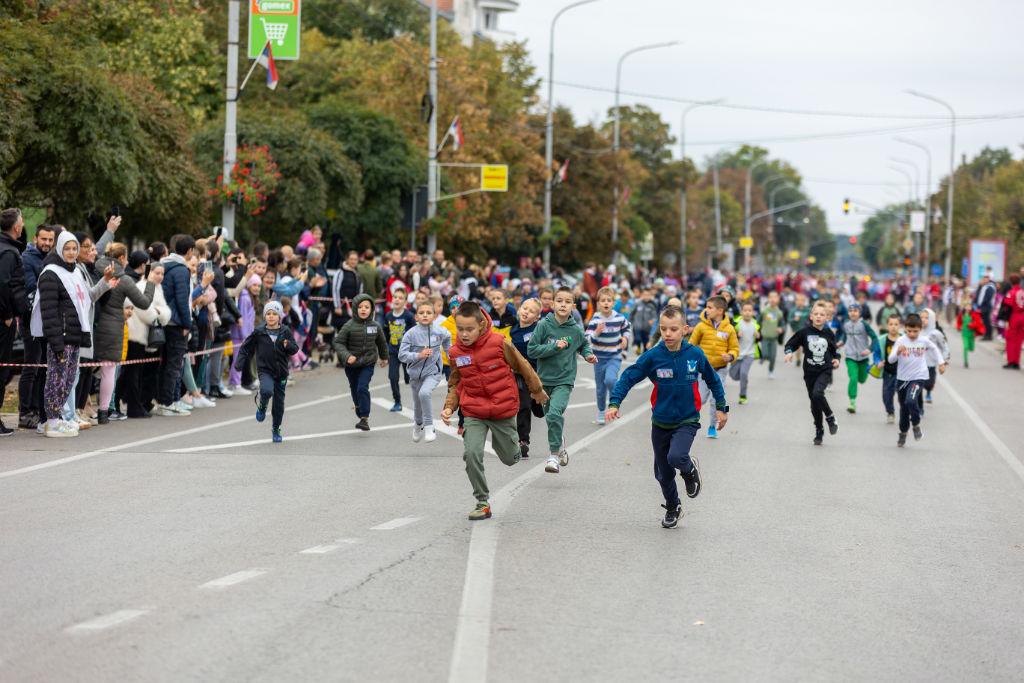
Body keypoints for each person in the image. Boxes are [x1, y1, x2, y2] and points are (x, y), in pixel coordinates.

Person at [606, 305, 728, 529]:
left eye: (673, 329)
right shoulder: (653, 356)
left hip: (687, 420)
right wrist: (615, 402)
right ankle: (673, 506)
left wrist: (722, 406)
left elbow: (713, 380)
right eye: (663, 329)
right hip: (660, 422)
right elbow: (629, 377)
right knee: (663, 473)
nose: (668, 334)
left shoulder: (695, 354)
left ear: (685, 330)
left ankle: (689, 469)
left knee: (676, 456)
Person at [440, 301, 547, 520]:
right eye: (460, 329)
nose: (464, 334)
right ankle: (482, 501)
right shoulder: (455, 352)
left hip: (502, 408)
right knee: (471, 454)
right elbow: (455, 382)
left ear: (481, 325)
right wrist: (449, 406)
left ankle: (513, 447)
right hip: (474, 410)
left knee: (510, 459)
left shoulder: (499, 342)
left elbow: (523, 365)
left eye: (469, 329)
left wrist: (537, 390)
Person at [528, 286, 597, 473]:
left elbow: (583, 345)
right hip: (544, 381)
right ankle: (560, 445)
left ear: (573, 306)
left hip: (564, 381)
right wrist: (553, 347)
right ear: (552, 304)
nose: (563, 305)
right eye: (559, 301)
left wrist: (588, 355)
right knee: (552, 419)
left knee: (554, 414)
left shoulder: (575, 329)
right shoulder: (543, 325)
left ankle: (553, 457)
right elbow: (532, 350)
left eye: (567, 302)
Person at [30, 232, 90, 437]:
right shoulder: (51, 273)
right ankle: (51, 421)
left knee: (68, 380)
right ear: (59, 249)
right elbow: (48, 312)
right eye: (67, 248)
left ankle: (57, 417)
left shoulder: (75, 272)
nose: (71, 252)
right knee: (55, 380)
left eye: (74, 248)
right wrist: (56, 342)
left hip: (74, 336)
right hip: (60, 338)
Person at [93, 243, 158, 424]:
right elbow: (144, 302)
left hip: (93, 324)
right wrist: (150, 283)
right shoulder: (124, 280)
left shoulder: (94, 270)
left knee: (83, 371)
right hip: (113, 327)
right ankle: (104, 411)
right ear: (121, 258)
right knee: (109, 371)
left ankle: (81, 408)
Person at [234, 301, 298, 442]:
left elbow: (295, 349)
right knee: (267, 390)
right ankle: (262, 405)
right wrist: (239, 364)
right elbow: (245, 347)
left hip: (281, 372)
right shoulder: (259, 332)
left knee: (279, 404)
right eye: (268, 314)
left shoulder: (285, 331)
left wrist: (288, 345)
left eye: (274, 314)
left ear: (279, 316)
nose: (271, 316)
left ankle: (276, 428)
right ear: (265, 316)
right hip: (265, 370)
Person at [784, 300, 841, 445]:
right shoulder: (805, 332)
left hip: (825, 370)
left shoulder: (828, 333)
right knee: (814, 403)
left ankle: (830, 417)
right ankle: (819, 430)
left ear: (827, 317)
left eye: (822, 314)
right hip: (809, 372)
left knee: (818, 394)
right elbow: (790, 344)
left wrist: (836, 359)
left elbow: (835, 350)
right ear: (811, 316)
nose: (818, 317)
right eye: (816, 314)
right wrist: (789, 352)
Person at [888, 313, 947, 447]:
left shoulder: (924, 340)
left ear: (920, 329)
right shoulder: (901, 341)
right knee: (904, 408)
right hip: (902, 379)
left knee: (911, 400)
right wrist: (897, 352)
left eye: (915, 331)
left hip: (918, 377)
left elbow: (934, 349)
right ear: (905, 328)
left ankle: (916, 423)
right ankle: (903, 432)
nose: (912, 334)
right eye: (909, 331)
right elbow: (891, 359)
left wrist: (941, 363)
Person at [18, 223, 56, 429]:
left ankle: (39, 410)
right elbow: (31, 287)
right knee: (31, 367)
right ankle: (25, 413)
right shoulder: (27, 258)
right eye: (44, 239)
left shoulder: (51, 258)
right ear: (35, 239)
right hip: (30, 321)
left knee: (43, 369)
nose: (47, 243)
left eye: (50, 240)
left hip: (46, 322)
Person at [398, 298, 451, 443]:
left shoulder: (440, 331)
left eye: (429, 312)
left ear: (435, 316)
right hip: (415, 375)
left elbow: (448, 337)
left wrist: (448, 353)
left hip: (433, 373)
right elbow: (402, 355)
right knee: (417, 406)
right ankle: (418, 425)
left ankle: (429, 427)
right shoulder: (410, 334)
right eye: (421, 313)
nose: (425, 315)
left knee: (424, 393)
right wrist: (418, 355)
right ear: (416, 316)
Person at [333, 293, 388, 431]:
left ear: (371, 309)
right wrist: (347, 356)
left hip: (368, 362)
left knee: (362, 387)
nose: (363, 309)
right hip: (351, 364)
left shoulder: (375, 326)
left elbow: (381, 343)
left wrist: (384, 357)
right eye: (360, 307)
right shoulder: (349, 325)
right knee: (354, 387)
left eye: (367, 307)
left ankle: (364, 418)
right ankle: (358, 405)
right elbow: (338, 342)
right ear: (355, 308)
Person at [687, 295, 738, 438]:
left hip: (720, 370)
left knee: (715, 400)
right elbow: (691, 345)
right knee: (701, 398)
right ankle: (687, 421)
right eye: (706, 307)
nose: (706, 310)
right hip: (703, 371)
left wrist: (731, 356)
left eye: (710, 308)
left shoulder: (729, 329)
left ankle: (712, 426)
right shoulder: (701, 326)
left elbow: (734, 348)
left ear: (720, 310)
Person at [156, 235, 195, 417]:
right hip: (176, 322)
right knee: (174, 364)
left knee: (164, 363)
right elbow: (182, 300)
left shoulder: (163, 265)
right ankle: (167, 402)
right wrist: (187, 323)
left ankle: (161, 400)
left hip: (163, 319)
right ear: (190, 251)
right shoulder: (181, 270)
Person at [585, 286, 632, 425]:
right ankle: (601, 410)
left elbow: (627, 327)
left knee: (611, 380)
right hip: (598, 359)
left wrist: (625, 338)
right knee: (600, 388)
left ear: (613, 303)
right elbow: (587, 339)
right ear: (598, 303)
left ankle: (614, 401)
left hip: (614, 356)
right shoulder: (595, 320)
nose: (606, 303)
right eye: (603, 300)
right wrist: (596, 333)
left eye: (609, 300)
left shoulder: (619, 317)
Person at [0, 208, 27, 436]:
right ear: (16, 226)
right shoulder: (8, 252)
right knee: (1, 369)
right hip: (3, 320)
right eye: (22, 222)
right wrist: (7, 314)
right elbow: (3, 284)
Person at [509, 298, 544, 458]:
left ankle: (542, 406)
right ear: (519, 309)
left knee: (539, 411)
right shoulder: (513, 331)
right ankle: (523, 440)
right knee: (523, 405)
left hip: (537, 374)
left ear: (536, 318)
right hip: (520, 375)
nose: (526, 312)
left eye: (531, 311)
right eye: (524, 308)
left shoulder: (538, 329)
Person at [839, 303, 878, 414]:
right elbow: (845, 335)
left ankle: (863, 375)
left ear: (859, 313)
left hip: (863, 357)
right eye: (850, 311)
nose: (853, 313)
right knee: (853, 378)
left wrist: (869, 350)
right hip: (850, 356)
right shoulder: (846, 324)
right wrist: (841, 342)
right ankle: (852, 401)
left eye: (855, 311)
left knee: (862, 379)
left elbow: (874, 337)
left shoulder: (864, 324)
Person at [384, 287, 416, 411]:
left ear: (405, 302)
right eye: (395, 297)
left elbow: (415, 332)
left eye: (400, 298)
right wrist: (385, 351)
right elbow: (386, 333)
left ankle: (418, 397)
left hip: (406, 352)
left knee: (409, 378)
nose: (397, 300)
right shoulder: (388, 316)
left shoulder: (408, 316)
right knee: (393, 377)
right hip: (393, 352)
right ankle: (397, 401)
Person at [872, 314, 902, 424]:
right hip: (888, 372)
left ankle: (905, 412)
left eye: (896, 324)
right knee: (886, 395)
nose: (893, 326)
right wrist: (878, 362)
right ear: (887, 326)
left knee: (902, 394)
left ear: (900, 326)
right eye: (891, 324)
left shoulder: (904, 339)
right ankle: (890, 412)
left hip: (902, 372)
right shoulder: (882, 340)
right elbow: (876, 354)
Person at [729, 301, 760, 404]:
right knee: (733, 375)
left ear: (753, 312)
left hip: (749, 354)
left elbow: (760, 337)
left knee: (743, 373)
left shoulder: (755, 324)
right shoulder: (736, 322)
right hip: (737, 353)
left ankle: (743, 395)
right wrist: (737, 335)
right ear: (741, 312)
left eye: (750, 310)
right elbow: (730, 335)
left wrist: (758, 336)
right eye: (745, 310)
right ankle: (742, 378)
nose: (747, 312)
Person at [918, 308, 950, 406]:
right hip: (917, 365)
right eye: (921, 317)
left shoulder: (936, 333)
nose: (923, 320)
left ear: (932, 319)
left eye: (926, 318)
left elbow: (944, 347)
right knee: (918, 386)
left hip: (931, 364)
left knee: (929, 384)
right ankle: (919, 406)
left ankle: (928, 391)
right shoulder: (916, 331)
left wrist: (944, 359)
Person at [758, 290, 785, 379]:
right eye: (771, 297)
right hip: (765, 337)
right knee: (765, 354)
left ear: (778, 299)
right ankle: (763, 357)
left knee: (773, 357)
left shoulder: (779, 312)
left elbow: (783, 325)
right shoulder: (764, 311)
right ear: (768, 299)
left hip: (774, 338)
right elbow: (758, 321)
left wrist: (781, 329)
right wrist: (757, 330)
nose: (773, 299)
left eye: (775, 297)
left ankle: (770, 371)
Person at [1001, 273, 1024, 369]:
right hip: (1022, 316)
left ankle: (1011, 361)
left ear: (1010, 282)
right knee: (1019, 340)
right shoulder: (1022, 292)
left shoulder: (1011, 292)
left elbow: (1008, 308)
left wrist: (1007, 320)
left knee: (1010, 340)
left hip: (1013, 317)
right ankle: (1017, 362)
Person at [956, 294, 985, 368]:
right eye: (967, 306)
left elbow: (978, 323)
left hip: (972, 334)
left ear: (971, 307)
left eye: (969, 306)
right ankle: (965, 362)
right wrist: (959, 327)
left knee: (971, 348)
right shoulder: (961, 315)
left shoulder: (975, 315)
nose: (968, 307)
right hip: (964, 334)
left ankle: (969, 349)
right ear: (965, 307)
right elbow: (959, 322)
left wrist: (971, 325)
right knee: (965, 347)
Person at [630, 287, 658, 355]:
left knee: (645, 343)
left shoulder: (652, 305)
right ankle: (638, 346)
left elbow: (654, 316)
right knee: (638, 339)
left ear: (650, 296)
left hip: (647, 328)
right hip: (637, 326)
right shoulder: (638, 303)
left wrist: (652, 321)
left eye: (648, 295)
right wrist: (630, 321)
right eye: (645, 295)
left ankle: (644, 355)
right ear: (642, 295)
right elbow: (632, 313)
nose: (646, 297)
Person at [974, 275, 997, 340]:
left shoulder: (990, 287)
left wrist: (982, 303)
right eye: (984, 279)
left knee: (987, 322)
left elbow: (988, 297)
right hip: (983, 306)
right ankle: (986, 334)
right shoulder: (984, 286)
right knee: (985, 321)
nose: (984, 280)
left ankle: (988, 335)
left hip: (987, 306)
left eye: (986, 279)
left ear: (988, 279)